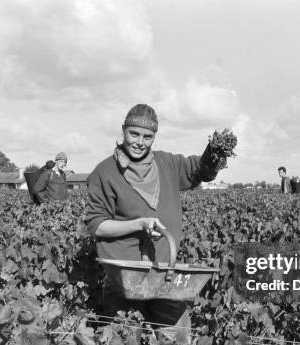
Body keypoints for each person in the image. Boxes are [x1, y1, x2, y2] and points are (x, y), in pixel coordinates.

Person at [85, 104, 222, 327]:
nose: (140, 142)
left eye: (148, 137)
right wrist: (138, 224)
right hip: (125, 277)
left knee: (177, 343)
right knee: (125, 344)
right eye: (134, 134)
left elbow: (197, 169)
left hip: (165, 274)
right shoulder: (105, 172)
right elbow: (97, 225)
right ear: (123, 131)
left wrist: (214, 154)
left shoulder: (167, 163)